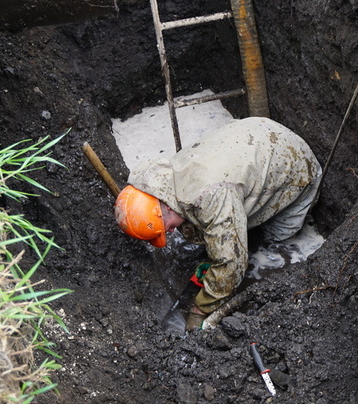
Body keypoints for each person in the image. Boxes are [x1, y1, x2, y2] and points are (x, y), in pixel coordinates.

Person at [114, 116, 322, 331]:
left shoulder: (209, 197)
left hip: (295, 164)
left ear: (166, 208)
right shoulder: (158, 180)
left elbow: (232, 265)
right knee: (224, 231)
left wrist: (200, 309)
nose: (169, 232)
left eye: (165, 228)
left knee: (275, 239)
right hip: (257, 133)